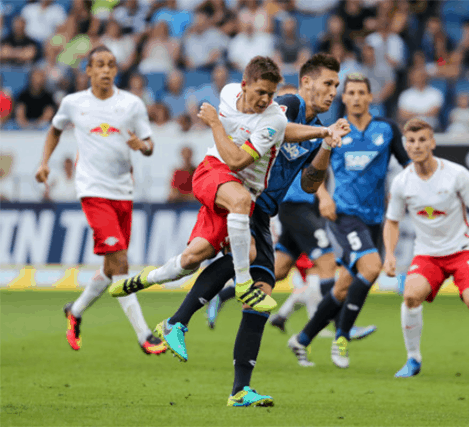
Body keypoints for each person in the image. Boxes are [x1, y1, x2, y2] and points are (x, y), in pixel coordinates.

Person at [150, 53, 350, 407]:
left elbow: (308, 183)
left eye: (336, 85)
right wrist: (322, 132)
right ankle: (177, 321)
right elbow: (279, 129)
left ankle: (239, 388)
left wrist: (325, 147)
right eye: (328, 83)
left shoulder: (320, 127)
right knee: (237, 264)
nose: (334, 91)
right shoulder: (287, 104)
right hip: (245, 197)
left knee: (260, 291)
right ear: (306, 83)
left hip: (264, 211)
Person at [109, 56, 293, 317]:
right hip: (213, 171)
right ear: (243, 86)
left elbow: (259, 147)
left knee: (190, 260)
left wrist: (321, 133)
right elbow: (235, 161)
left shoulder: (273, 119)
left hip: (236, 188)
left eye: (271, 94)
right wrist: (217, 124)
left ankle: (141, 281)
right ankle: (243, 284)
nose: (265, 99)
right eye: (260, 92)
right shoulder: (228, 93)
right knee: (240, 202)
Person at [34, 46, 166, 355]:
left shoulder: (131, 105)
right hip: (92, 191)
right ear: (88, 70)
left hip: (123, 191)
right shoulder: (73, 103)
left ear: (116, 70)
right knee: (121, 262)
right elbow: (54, 130)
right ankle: (145, 335)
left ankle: (75, 311)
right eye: (99, 65)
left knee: (110, 266)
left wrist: (141, 146)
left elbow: (149, 145)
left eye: (111, 65)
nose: (106, 70)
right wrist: (44, 163)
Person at [287, 72, 411, 369]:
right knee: (371, 268)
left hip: (374, 219)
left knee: (343, 286)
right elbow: (311, 170)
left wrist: (406, 194)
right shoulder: (333, 131)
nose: (355, 97)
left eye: (361, 92)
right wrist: (323, 197)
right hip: (342, 214)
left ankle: (302, 339)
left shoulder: (387, 129)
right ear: (344, 98)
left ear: (370, 97)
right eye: (350, 92)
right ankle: (341, 337)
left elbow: (407, 166)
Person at [383, 118, 469, 381]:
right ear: (405, 146)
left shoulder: (457, 174)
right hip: (427, 255)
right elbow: (392, 222)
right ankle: (413, 359)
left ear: (432, 142)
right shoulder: (401, 182)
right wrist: (389, 253)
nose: (417, 145)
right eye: (411, 141)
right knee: (410, 296)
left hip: (461, 251)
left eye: (422, 140)